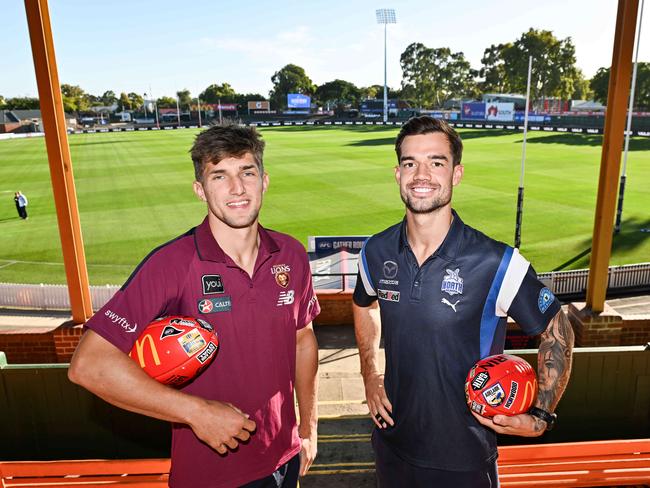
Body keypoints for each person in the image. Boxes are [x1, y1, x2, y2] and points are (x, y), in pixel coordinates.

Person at [69, 123, 320, 488]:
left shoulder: (291, 254)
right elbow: (89, 365)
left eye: (247, 172)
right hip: (213, 476)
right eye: (219, 176)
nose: (237, 188)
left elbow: (303, 340)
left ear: (264, 180)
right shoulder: (172, 264)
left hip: (284, 459)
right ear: (200, 190)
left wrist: (307, 426)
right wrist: (195, 412)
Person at [353, 116, 574, 487]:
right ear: (397, 174)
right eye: (410, 163)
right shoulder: (375, 251)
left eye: (436, 162)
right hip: (392, 447)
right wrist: (370, 373)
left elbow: (557, 326)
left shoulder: (496, 261)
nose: (421, 174)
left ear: (456, 173)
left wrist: (542, 413)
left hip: (463, 460)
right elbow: (364, 304)